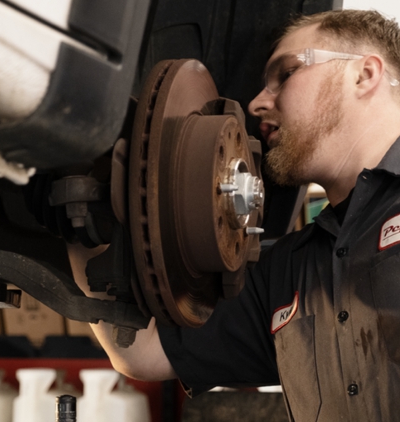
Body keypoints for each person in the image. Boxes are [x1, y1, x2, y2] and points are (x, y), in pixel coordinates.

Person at [67, 9, 400, 421]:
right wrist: (79, 206)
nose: (258, 101)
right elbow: (145, 352)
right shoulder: (291, 269)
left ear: (364, 75)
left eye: (286, 73)